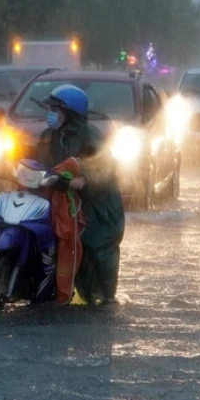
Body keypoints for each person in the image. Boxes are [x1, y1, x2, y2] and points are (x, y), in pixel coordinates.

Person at [38, 85, 125, 306]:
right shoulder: (49, 136)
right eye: (50, 108)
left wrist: (84, 180)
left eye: (55, 109)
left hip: (99, 206)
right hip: (67, 201)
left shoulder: (91, 136)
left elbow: (106, 168)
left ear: (70, 113)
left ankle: (105, 300)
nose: (51, 114)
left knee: (98, 252)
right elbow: (35, 162)